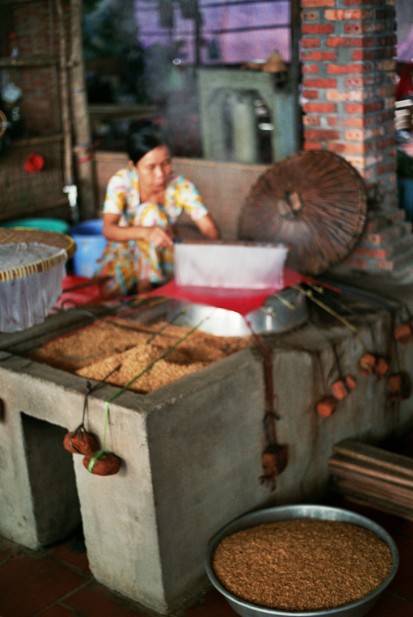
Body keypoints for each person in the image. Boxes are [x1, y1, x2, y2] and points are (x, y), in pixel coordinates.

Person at [95, 120, 220, 295]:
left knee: (151, 213)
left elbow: (208, 227)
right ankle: (145, 292)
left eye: (166, 163)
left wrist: (215, 256)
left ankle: (146, 292)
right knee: (101, 299)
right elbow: (109, 229)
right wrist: (145, 232)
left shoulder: (180, 185)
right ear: (134, 167)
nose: (160, 174)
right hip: (124, 255)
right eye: (151, 167)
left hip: (165, 257)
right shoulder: (122, 182)